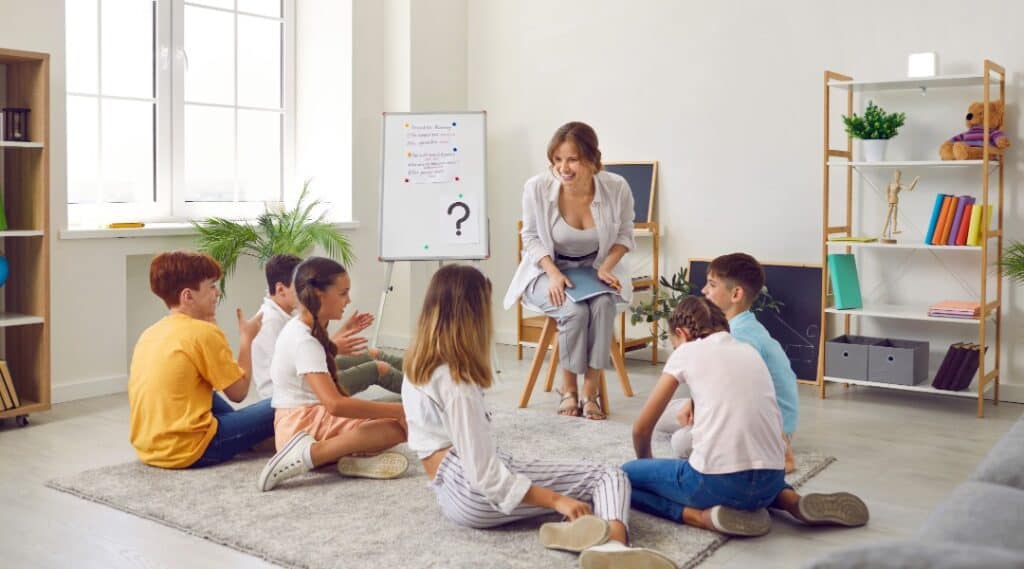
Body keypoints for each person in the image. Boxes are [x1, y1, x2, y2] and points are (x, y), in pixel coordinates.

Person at [404, 265, 673, 568]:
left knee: (562, 484)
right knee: (608, 476)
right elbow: (485, 477)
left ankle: (579, 532)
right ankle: (613, 548)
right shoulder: (457, 381)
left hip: (447, 494)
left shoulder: (418, 364)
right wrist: (557, 500)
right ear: (473, 314)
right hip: (473, 491)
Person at [626, 297, 868, 537]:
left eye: (675, 342)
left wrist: (645, 466)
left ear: (682, 333)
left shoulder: (687, 352)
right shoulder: (749, 350)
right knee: (752, 466)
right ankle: (791, 501)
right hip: (771, 480)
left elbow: (641, 428)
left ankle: (700, 517)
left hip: (715, 485)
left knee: (623, 478)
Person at [503, 121, 635, 420]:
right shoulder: (536, 188)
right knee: (573, 311)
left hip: (594, 269)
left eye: (572, 159)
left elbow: (626, 234)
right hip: (548, 269)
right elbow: (531, 237)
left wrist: (607, 267)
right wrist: (552, 272)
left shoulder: (616, 188)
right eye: (557, 160)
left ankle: (590, 391)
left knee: (602, 305)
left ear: (592, 159)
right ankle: (568, 390)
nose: (563, 168)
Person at [257, 257, 408, 492]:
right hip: (299, 426)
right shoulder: (304, 340)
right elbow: (335, 405)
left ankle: (349, 458)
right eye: (343, 293)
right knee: (396, 428)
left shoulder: (303, 328)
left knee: (388, 424)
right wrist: (399, 410)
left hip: (301, 418)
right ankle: (311, 454)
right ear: (319, 295)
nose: (348, 300)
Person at [656, 253, 800, 472]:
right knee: (663, 416)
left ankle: (779, 448)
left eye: (712, 285)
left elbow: (739, 393)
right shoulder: (736, 327)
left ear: (736, 294)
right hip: (739, 409)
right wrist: (692, 405)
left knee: (681, 442)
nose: (704, 290)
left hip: (763, 425)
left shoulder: (740, 337)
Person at [128, 250, 272, 469]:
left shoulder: (150, 332)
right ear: (188, 296)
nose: (217, 294)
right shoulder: (202, 333)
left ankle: (249, 437)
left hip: (148, 448)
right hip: (193, 449)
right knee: (284, 401)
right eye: (212, 286)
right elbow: (239, 392)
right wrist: (247, 338)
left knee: (201, 390)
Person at [250, 254, 403, 401]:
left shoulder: (291, 314)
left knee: (373, 354)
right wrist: (334, 347)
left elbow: (313, 351)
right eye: (299, 286)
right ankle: (420, 396)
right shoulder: (270, 321)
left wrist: (343, 332)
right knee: (378, 369)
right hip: (296, 391)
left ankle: (424, 372)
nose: (304, 291)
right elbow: (299, 367)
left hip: (308, 378)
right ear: (280, 289)